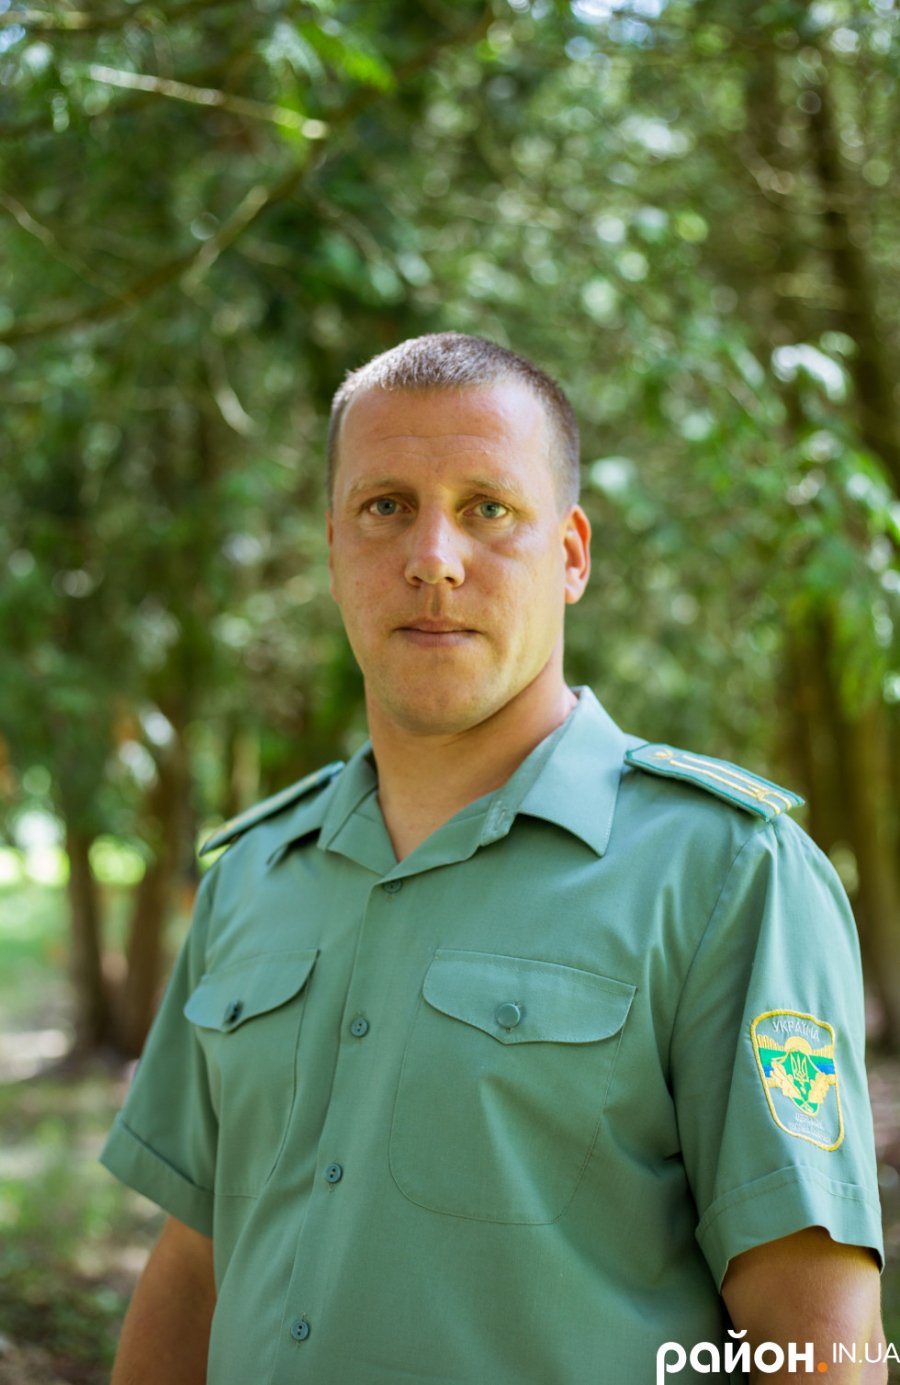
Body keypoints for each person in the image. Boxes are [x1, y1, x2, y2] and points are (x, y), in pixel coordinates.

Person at [101, 333, 887, 1384]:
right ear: (333, 547)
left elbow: (815, 1333)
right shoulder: (253, 876)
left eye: (488, 508)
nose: (433, 555)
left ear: (571, 554)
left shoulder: (728, 875)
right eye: (386, 505)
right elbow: (196, 1267)